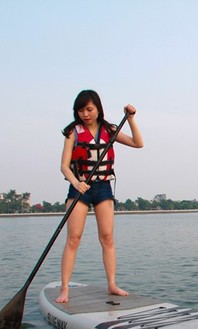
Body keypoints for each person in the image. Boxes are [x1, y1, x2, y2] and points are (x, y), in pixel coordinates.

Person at [55, 89, 144, 303]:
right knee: (73, 239)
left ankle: (112, 284)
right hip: (79, 188)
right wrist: (77, 182)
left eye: (89, 109)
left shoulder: (109, 129)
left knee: (107, 237)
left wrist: (131, 119)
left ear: (98, 109)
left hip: (103, 187)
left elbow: (137, 143)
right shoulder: (72, 132)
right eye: (81, 110)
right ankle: (65, 288)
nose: (85, 114)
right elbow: (64, 166)